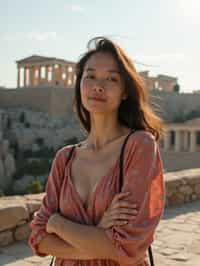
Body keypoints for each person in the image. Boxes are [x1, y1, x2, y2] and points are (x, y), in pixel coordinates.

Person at [28, 37, 165, 266]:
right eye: (90, 76)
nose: (98, 86)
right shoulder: (65, 157)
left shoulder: (139, 146)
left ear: (124, 91)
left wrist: (57, 223)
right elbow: (39, 239)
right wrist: (100, 230)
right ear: (80, 84)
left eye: (111, 79)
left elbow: (128, 247)